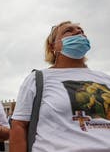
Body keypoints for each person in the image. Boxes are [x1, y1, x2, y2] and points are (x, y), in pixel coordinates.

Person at [10, 21, 110, 152]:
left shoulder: (105, 78)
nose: (78, 32)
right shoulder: (37, 79)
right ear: (53, 47)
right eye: (68, 31)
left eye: (81, 30)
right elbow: (19, 126)